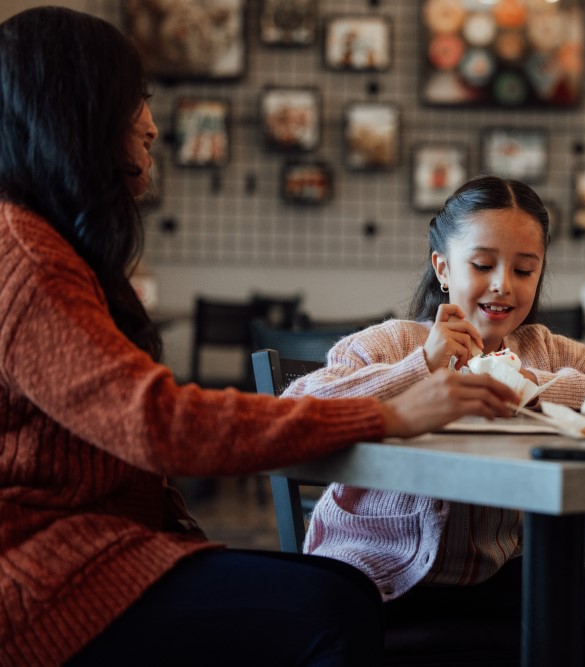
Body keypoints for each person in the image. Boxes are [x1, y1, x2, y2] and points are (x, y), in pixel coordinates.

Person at [0, 8, 520, 667]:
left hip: (96, 554)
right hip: (47, 580)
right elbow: (157, 422)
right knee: (333, 606)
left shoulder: (38, 244)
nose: (153, 125)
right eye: (136, 100)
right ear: (75, 110)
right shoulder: (28, 255)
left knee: (341, 590)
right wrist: (386, 413)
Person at [283, 174, 585, 665]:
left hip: (491, 574)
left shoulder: (541, 350)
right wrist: (420, 366)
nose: (502, 285)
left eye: (524, 270)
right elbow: (298, 405)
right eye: (483, 264)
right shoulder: (394, 343)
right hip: (374, 571)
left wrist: (527, 385)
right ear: (443, 267)